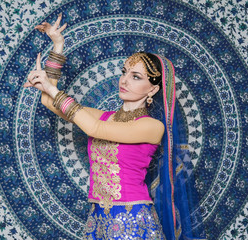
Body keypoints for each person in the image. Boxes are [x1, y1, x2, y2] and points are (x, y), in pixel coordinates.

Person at [25, 14, 204, 240]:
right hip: (98, 218)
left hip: (132, 220)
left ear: (152, 90)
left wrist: (51, 89)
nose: (124, 80)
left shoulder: (152, 126)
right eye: (124, 72)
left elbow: (94, 130)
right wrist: (57, 48)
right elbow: (49, 102)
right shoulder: (105, 117)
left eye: (136, 76)